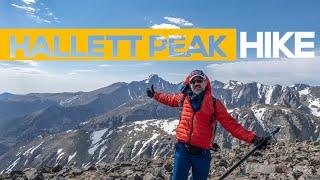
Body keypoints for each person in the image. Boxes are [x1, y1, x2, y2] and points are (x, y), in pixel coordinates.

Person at [146, 70, 269, 180]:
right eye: (193, 81)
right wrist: (155, 95)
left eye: (199, 80)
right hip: (182, 150)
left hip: (202, 153)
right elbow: (169, 99)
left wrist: (253, 138)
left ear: (206, 83)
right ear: (189, 84)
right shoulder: (183, 99)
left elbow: (231, 125)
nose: (196, 83)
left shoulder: (215, 104)